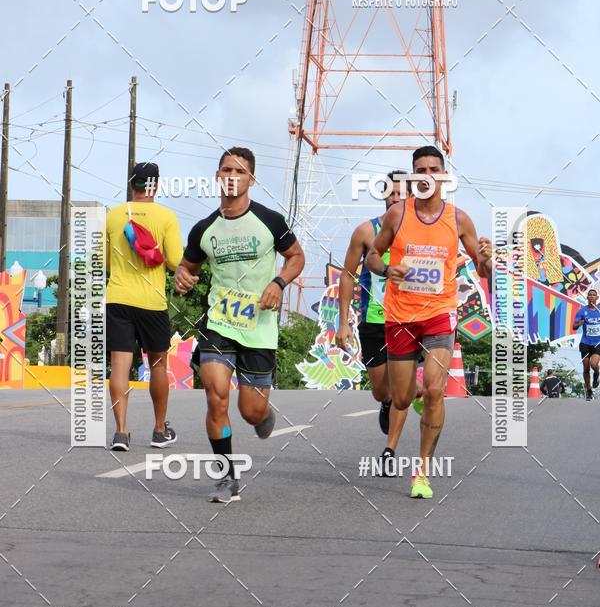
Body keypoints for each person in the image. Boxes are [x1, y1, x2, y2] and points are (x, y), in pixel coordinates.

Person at [174, 147, 305, 503]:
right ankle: (226, 476)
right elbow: (188, 267)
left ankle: (263, 412)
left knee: (251, 411)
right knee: (216, 397)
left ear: (251, 179)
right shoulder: (204, 229)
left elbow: (297, 257)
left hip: (259, 326)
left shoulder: (270, 221)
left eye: (240, 170)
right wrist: (181, 277)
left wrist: (278, 284)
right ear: (217, 176)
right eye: (226, 169)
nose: (232, 175)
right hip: (218, 323)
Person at [365, 145, 493, 500]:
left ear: (444, 176)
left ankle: (421, 472)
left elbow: (482, 270)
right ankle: (416, 401)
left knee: (436, 389)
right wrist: (389, 269)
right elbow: (373, 254)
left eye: (434, 169)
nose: (427, 175)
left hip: (439, 314)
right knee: (402, 398)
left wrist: (486, 260)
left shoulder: (459, 219)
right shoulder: (397, 215)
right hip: (400, 315)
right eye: (419, 170)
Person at [336, 171, 412, 468]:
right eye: (390, 192)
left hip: (409, 321)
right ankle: (387, 400)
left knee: (402, 389)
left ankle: (389, 451)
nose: (395, 198)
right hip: (374, 320)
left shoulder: (422, 233)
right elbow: (347, 274)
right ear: (383, 195)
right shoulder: (366, 231)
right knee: (382, 390)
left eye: (401, 193)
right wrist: (344, 322)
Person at [106, 162, 183, 452]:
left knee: (119, 367)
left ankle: (121, 433)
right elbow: (176, 261)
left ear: (132, 185)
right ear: (156, 186)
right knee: (158, 365)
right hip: (152, 303)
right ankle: (160, 431)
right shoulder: (166, 217)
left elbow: (106, 262)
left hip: (118, 299)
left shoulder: (113, 215)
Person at [573, 288, 600, 400]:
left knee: (594, 364)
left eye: (594, 295)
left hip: (597, 343)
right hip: (585, 343)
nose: (592, 296)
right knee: (586, 368)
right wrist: (579, 323)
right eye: (590, 295)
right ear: (587, 297)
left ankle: (597, 374)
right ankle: (589, 391)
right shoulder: (582, 311)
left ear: (597, 298)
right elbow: (574, 327)